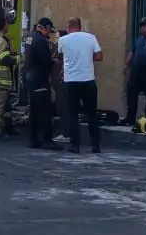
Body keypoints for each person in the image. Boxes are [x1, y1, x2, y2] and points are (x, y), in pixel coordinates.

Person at [57, 17, 103, 154]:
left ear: (68, 26)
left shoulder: (63, 40)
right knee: (91, 114)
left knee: (72, 114)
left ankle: (75, 145)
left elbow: (61, 56)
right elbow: (100, 56)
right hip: (88, 80)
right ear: (80, 26)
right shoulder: (90, 38)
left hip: (71, 81)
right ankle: (95, 145)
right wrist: (88, 58)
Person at [25, 17, 59, 149]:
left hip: (31, 79)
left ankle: (33, 139)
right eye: (49, 30)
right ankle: (47, 140)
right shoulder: (41, 41)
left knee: (34, 111)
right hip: (40, 79)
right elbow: (45, 62)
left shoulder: (30, 38)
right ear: (44, 27)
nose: (49, 33)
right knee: (45, 111)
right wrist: (53, 62)